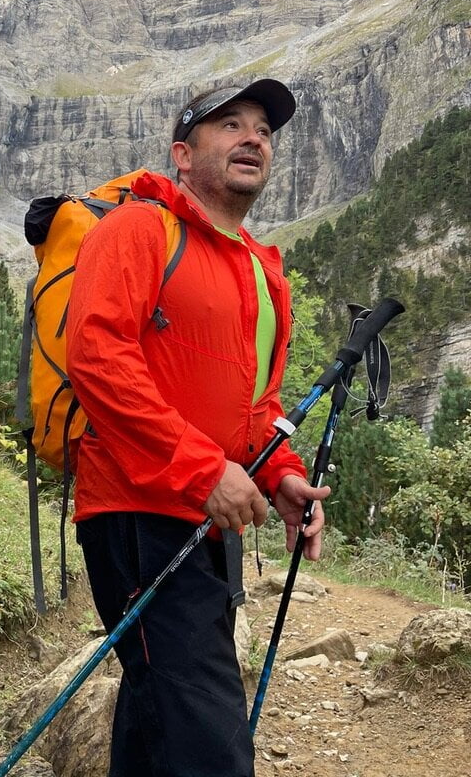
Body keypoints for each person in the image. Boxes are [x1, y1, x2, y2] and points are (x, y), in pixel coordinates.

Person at [65, 78, 331, 777]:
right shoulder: (138, 229)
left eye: (265, 132)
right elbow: (96, 358)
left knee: (162, 714)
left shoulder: (262, 273)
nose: (253, 138)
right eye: (231, 125)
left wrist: (280, 477)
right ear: (183, 154)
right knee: (207, 736)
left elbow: (254, 407)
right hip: (137, 511)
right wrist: (202, 469)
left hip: (207, 521)